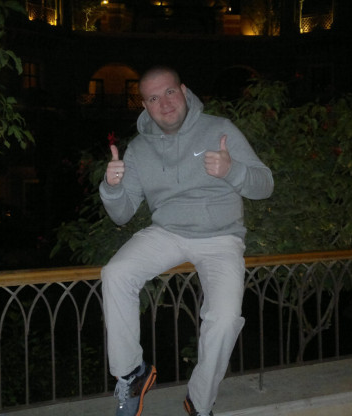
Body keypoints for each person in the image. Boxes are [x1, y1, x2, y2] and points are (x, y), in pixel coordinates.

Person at [100, 66, 274, 416]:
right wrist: (112, 187)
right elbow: (122, 214)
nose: (164, 103)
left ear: (183, 91)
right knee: (115, 273)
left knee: (224, 319)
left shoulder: (220, 129)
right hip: (167, 232)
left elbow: (265, 185)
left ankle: (200, 402)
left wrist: (232, 171)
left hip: (221, 237)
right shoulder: (139, 149)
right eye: (153, 98)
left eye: (169, 92)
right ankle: (131, 373)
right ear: (145, 106)